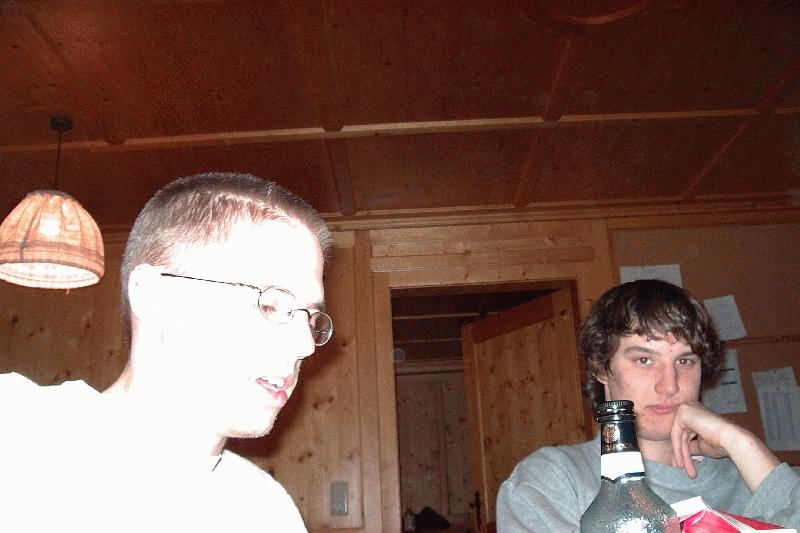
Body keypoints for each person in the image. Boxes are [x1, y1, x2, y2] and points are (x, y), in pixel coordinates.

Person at [0, 172, 334, 532]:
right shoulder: (19, 434)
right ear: (154, 297)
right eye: (270, 304)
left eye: (310, 317)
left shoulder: (267, 511)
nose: (305, 344)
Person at [496, 279, 800, 532]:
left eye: (685, 361)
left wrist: (741, 443)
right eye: (644, 360)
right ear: (601, 367)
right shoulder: (553, 481)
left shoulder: (750, 477)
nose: (669, 385)